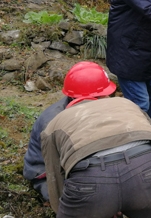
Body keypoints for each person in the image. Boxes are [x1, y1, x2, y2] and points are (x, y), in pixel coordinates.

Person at [40, 62, 151, 218]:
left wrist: (70, 214)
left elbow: (55, 179)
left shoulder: (54, 123)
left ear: (69, 96)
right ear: (107, 91)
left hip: (90, 181)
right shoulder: (127, 104)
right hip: (150, 171)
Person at [23, 61, 117, 202]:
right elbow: (62, 167)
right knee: (76, 203)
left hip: (72, 164)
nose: (108, 98)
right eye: (103, 95)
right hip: (45, 173)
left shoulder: (85, 109)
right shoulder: (54, 123)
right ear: (87, 98)